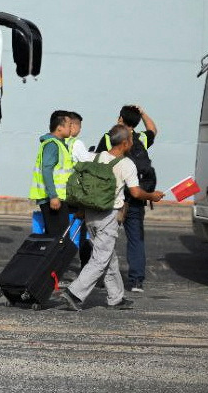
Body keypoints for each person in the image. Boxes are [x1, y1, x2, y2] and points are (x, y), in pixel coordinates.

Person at [62, 125, 164, 312]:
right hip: (108, 215)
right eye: (131, 140)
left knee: (108, 256)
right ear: (125, 143)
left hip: (90, 214)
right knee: (101, 258)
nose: (132, 143)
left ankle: (116, 298)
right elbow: (135, 192)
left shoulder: (95, 157)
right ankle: (74, 293)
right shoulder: (126, 164)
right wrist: (152, 196)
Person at [97, 105, 158, 292]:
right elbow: (153, 130)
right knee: (136, 239)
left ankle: (100, 275)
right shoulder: (140, 138)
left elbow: (98, 162)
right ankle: (137, 280)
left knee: (106, 238)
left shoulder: (110, 138)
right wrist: (143, 112)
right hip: (136, 196)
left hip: (114, 197)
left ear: (120, 119)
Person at [29, 110, 75, 238]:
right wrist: (53, 196)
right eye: (69, 124)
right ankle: (54, 259)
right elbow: (47, 170)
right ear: (59, 127)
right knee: (57, 237)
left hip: (58, 197)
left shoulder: (60, 144)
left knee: (58, 236)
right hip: (53, 198)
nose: (72, 127)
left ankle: (56, 258)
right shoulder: (52, 145)